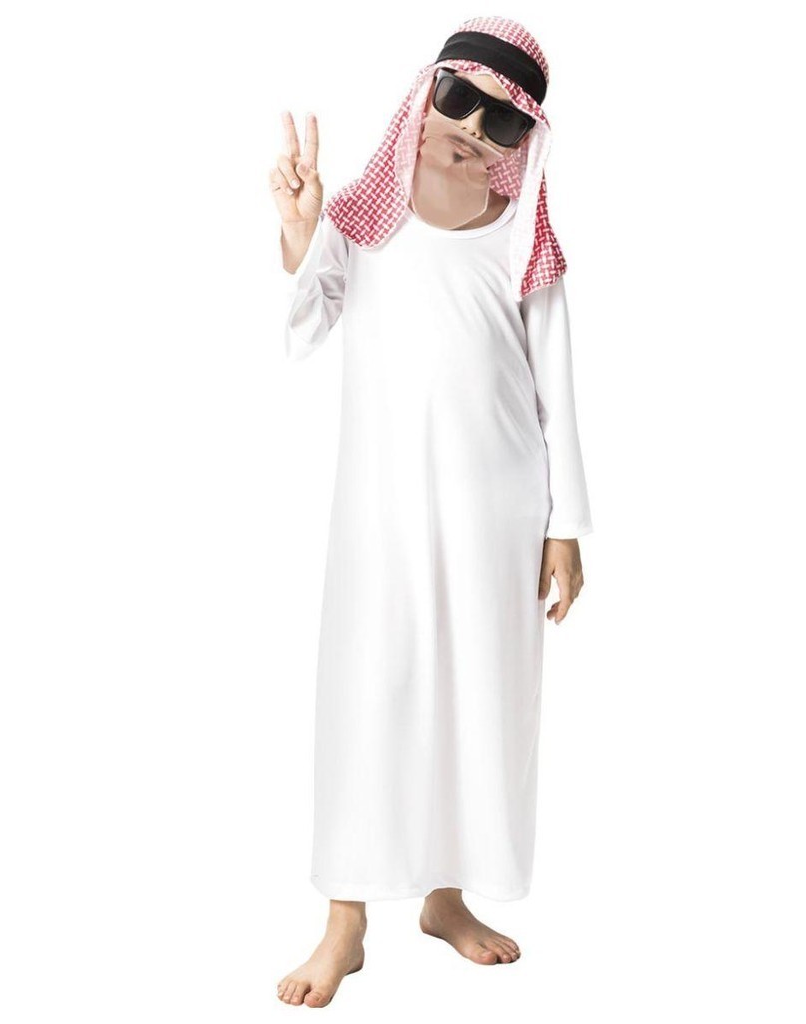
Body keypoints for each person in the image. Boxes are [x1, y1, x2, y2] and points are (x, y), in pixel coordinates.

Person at [269, 16, 592, 1008]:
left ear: (524, 137)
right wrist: (300, 227)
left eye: (502, 122)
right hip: (383, 507)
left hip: (498, 508)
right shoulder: (365, 215)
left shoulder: (519, 230)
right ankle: (345, 920)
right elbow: (309, 314)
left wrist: (566, 524)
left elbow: (555, 385)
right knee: (370, 692)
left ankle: (446, 898)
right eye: (459, 100)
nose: (472, 130)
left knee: (477, 699)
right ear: (427, 91)